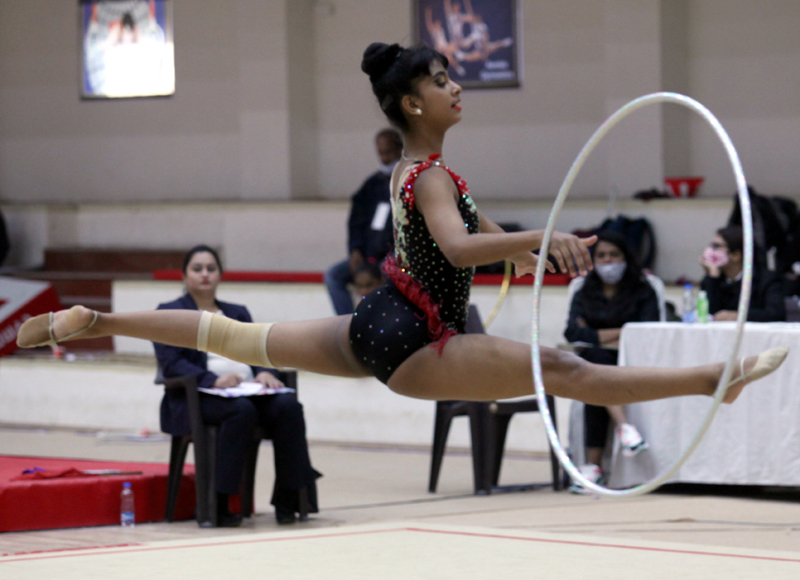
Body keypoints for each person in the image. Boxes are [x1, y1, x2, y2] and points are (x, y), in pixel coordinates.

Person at [18, 43, 788, 459]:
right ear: (413, 101)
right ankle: (713, 381)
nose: (458, 88)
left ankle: (92, 322)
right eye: (444, 79)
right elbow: (454, 249)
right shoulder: (426, 176)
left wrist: (522, 255)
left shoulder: (418, 170)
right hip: (415, 336)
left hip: (379, 319)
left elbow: (455, 248)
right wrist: (535, 241)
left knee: (235, 335)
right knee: (564, 369)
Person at [154, 245, 321, 526]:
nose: (205, 274)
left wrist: (265, 371)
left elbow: (259, 349)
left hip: (248, 392)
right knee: (240, 411)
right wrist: (213, 380)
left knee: (288, 406)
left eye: (211, 268)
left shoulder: (237, 312)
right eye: (197, 269)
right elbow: (170, 362)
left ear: (220, 275)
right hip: (198, 397)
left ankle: (288, 498)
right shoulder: (170, 312)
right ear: (184, 276)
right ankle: (217, 503)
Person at [564, 232, 658, 491]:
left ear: (626, 258)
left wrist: (597, 334)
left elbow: (647, 328)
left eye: (614, 255)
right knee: (597, 365)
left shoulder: (643, 289)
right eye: (602, 256)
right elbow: (572, 332)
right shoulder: (584, 290)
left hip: (632, 359)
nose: (608, 260)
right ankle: (625, 427)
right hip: (596, 361)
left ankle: (593, 467)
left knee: (595, 372)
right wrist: (620, 332)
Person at [324, 128, 401, 315]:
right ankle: (348, 322)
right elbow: (356, 221)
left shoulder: (409, 181)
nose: (384, 159)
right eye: (381, 153)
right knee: (333, 275)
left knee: (388, 270)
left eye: (388, 152)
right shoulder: (372, 184)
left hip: (394, 253)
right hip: (367, 254)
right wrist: (355, 250)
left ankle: (385, 319)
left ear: (400, 149)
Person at [699, 225, 785, 322]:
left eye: (717, 246)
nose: (711, 251)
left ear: (736, 255)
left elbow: (775, 314)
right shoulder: (713, 279)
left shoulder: (766, 280)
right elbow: (708, 313)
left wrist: (738, 316)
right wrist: (713, 278)